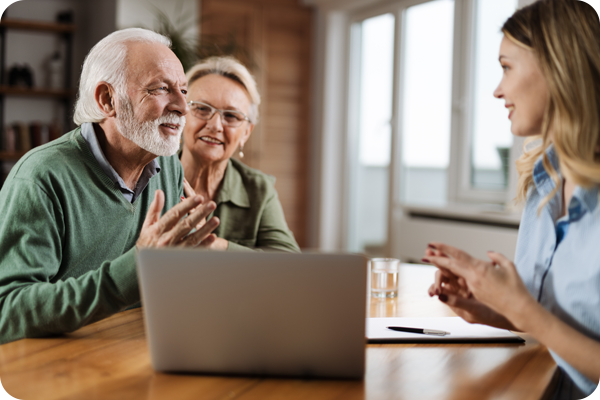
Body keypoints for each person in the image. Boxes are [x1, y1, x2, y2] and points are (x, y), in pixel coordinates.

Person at [423, 1, 600, 399]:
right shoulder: (543, 181)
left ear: (558, 68)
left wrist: (521, 310)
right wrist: (490, 308)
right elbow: (551, 323)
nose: (497, 89)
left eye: (506, 66)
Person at [0, 28, 221, 344]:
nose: (182, 107)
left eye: (184, 91)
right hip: (59, 368)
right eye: (161, 89)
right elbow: (8, 311)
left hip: (137, 350)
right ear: (107, 99)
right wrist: (137, 267)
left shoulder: (167, 163)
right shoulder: (39, 178)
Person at [179, 56, 300, 252]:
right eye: (201, 108)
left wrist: (215, 245)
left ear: (246, 132)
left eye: (231, 116)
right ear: (181, 114)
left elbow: (289, 263)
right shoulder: (148, 176)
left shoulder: (259, 189)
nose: (215, 125)